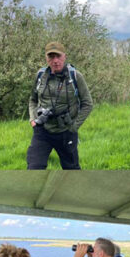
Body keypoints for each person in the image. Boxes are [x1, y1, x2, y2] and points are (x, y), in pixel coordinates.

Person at [26, 42, 93, 170]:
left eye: (58, 56)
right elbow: (32, 100)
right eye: (51, 57)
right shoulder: (41, 75)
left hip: (66, 131)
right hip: (43, 130)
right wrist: (32, 119)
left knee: (71, 169)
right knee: (34, 167)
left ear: (64, 56)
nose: (55, 61)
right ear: (46, 58)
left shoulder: (75, 76)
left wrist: (74, 127)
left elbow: (88, 104)